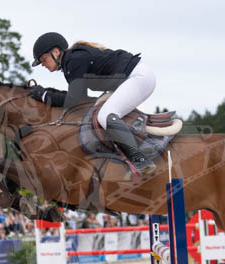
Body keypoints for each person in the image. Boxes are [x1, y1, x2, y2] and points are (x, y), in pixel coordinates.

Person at [30, 32, 156, 175]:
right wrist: (46, 94)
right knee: (101, 113)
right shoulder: (71, 61)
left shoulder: (73, 60)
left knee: (105, 115)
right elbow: (81, 99)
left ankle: (140, 160)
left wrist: (44, 95)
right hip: (135, 77)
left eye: (44, 59)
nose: (43, 64)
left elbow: (73, 100)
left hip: (138, 77)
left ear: (56, 52)